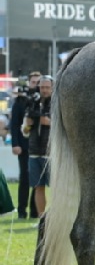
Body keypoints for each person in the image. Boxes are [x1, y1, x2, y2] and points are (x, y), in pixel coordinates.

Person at [10, 72, 40, 219]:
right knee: (25, 178)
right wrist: (15, 144)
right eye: (33, 82)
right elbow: (14, 124)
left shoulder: (43, 101)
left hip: (39, 146)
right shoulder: (20, 101)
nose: (36, 84)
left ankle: (35, 211)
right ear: (29, 82)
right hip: (24, 145)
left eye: (38, 82)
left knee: (38, 180)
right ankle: (22, 211)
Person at [22, 75, 53, 221]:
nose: (44, 90)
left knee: (56, 189)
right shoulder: (32, 103)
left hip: (51, 154)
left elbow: (65, 129)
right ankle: (42, 219)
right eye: (42, 87)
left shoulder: (57, 104)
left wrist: (49, 122)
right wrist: (28, 125)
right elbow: (25, 131)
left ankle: (56, 219)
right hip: (34, 153)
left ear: (52, 88)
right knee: (38, 187)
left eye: (47, 87)